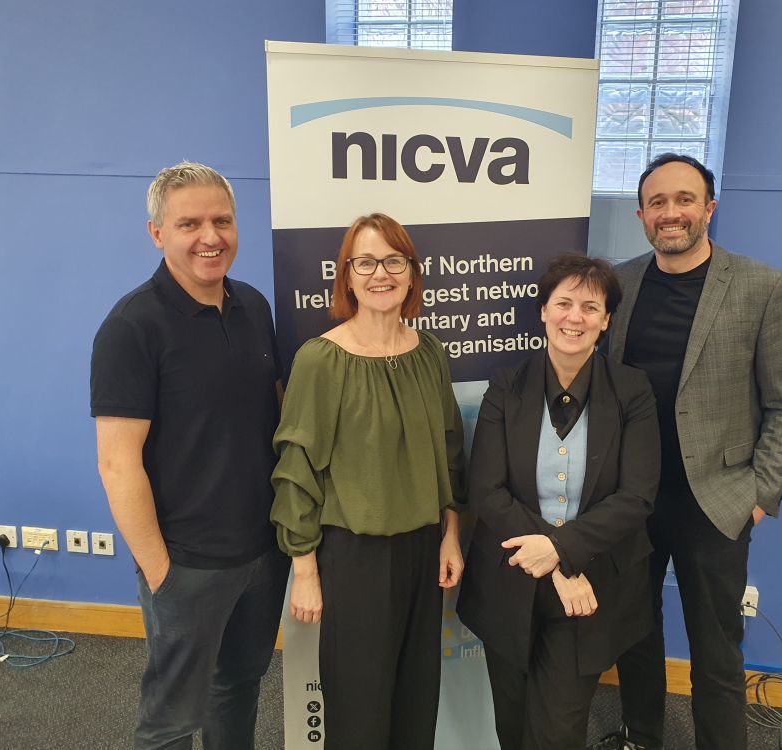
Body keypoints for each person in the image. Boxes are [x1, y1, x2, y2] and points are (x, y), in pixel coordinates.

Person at [598, 154, 782, 750]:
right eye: (657, 202)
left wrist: (759, 495)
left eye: (685, 199)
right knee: (634, 633)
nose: (671, 213)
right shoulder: (619, 285)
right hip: (632, 497)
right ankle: (642, 737)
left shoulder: (763, 287)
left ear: (709, 208)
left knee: (716, 648)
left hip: (716, 501)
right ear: (642, 215)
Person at [91, 162, 290, 750]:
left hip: (264, 551)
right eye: (189, 224)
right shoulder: (131, 327)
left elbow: (275, 413)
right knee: (171, 720)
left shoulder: (253, 305)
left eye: (222, 220)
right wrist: (161, 573)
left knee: (239, 687)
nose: (211, 236)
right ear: (158, 233)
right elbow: (117, 463)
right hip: (187, 564)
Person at [270, 213, 466, 750]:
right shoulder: (321, 360)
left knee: (415, 707)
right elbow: (296, 470)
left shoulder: (429, 353)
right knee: (359, 715)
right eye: (366, 262)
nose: (381, 274)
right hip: (353, 558)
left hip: (422, 553)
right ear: (348, 277)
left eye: (393, 261)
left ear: (412, 273)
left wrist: (450, 534)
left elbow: (449, 452)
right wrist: (304, 569)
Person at [456, 253, 661, 750]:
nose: (575, 317)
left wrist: (562, 553)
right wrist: (556, 562)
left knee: (559, 732)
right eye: (564, 303)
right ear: (544, 311)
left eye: (590, 307)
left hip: (590, 589)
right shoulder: (506, 386)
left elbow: (636, 496)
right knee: (512, 724)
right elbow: (486, 489)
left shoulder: (632, 391)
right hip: (510, 581)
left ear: (606, 320)